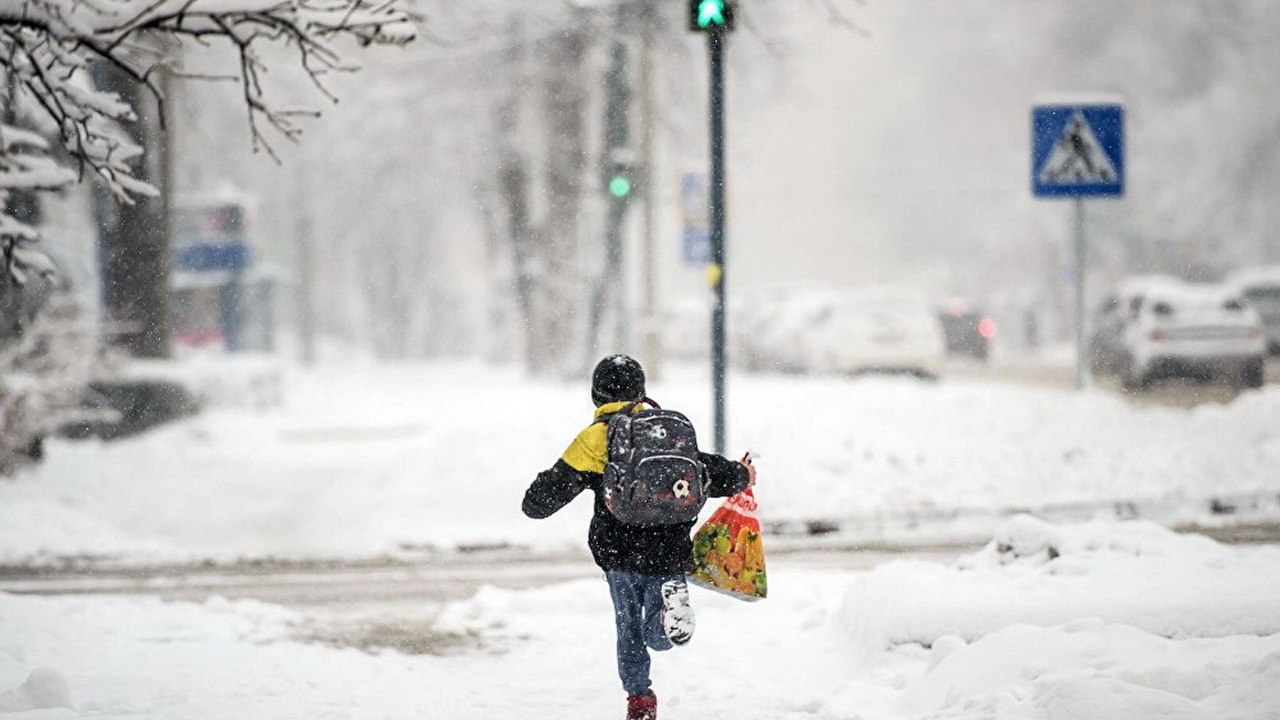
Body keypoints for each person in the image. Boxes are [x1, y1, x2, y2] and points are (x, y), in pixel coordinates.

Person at [522, 354, 756, 720]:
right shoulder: (667, 431)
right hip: (670, 547)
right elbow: (708, 470)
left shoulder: (595, 438)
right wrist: (741, 475)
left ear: (596, 396)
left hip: (620, 552)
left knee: (628, 627)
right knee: (658, 633)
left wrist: (542, 486)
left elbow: (539, 503)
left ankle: (640, 699)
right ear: (642, 391)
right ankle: (667, 613)